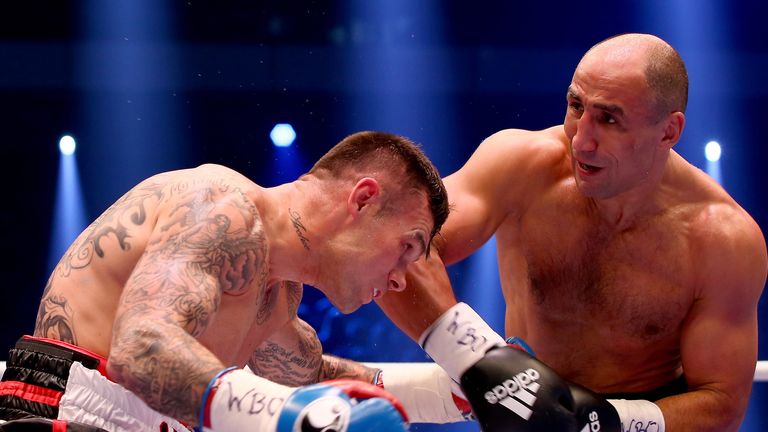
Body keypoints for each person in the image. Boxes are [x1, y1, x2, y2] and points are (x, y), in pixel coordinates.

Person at [377, 33, 768, 431]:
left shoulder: (721, 239)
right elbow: (392, 245)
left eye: (609, 118)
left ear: (669, 131)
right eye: (576, 106)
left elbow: (721, 404)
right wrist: (480, 360)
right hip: (519, 410)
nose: (581, 140)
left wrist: (601, 422)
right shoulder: (521, 167)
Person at [0, 131, 450, 432]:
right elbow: (140, 348)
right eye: (407, 247)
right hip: (64, 412)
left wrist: (450, 390)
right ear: (364, 199)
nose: (400, 281)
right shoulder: (221, 206)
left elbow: (309, 378)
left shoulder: (279, 293)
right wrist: (285, 416)